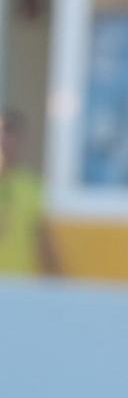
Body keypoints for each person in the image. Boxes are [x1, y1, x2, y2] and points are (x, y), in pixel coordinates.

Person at [0, 110, 61, 276]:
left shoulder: (33, 187)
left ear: (21, 140)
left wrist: (64, 287)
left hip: (21, 287)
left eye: (10, 133)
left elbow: (44, 241)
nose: (4, 140)